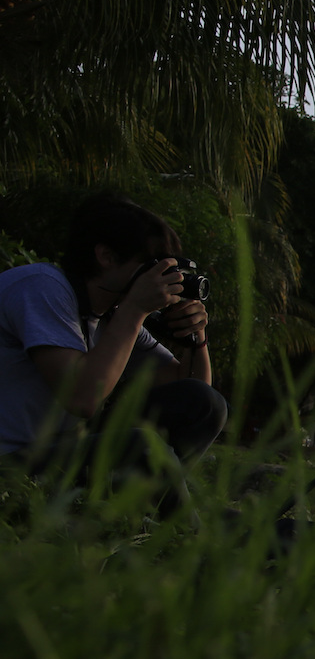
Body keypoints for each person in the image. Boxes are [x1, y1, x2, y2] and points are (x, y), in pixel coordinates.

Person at [0, 194, 225, 486]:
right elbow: (82, 399)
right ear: (106, 256)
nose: (164, 278)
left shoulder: (110, 316)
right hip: (11, 463)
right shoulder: (41, 287)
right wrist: (134, 309)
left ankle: (149, 505)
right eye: (153, 266)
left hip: (54, 456)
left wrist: (194, 336)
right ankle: (180, 523)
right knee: (142, 443)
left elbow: (194, 391)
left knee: (205, 404)